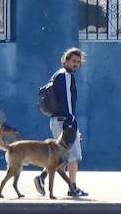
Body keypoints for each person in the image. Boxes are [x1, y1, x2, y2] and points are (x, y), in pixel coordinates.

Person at [36, 47, 87, 198]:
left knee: (63, 157)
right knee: (73, 155)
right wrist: (70, 118)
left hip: (57, 119)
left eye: (78, 62)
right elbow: (67, 99)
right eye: (73, 61)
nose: (76, 64)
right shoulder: (65, 76)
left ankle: (41, 178)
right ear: (65, 60)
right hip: (65, 121)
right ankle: (73, 188)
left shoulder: (58, 74)